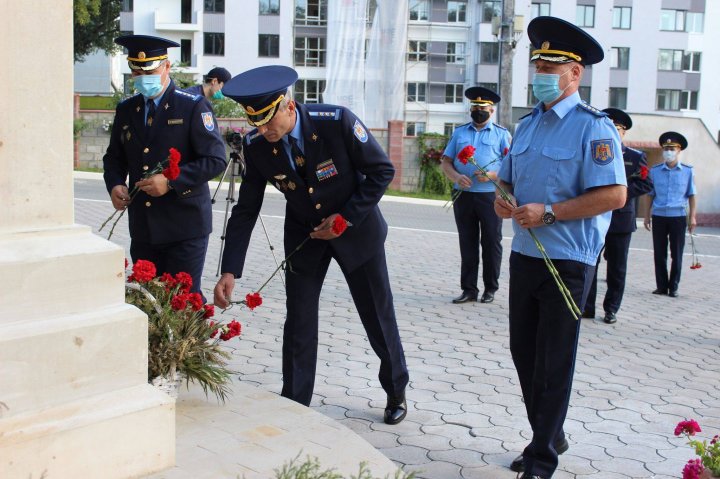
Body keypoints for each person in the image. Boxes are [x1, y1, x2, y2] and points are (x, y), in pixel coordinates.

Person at [213, 66, 409, 424]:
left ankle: (395, 388)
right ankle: (295, 400)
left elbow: (382, 171)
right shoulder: (258, 146)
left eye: (269, 123)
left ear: (289, 107)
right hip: (305, 236)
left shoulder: (337, 122)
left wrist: (345, 218)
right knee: (299, 319)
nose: (264, 132)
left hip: (357, 231)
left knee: (376, 316)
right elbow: (246, 209)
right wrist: (230, 269)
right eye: (256, 124)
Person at [493, 16, 627, 478]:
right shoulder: (528, 124)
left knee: (553, 360)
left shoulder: (595, 129)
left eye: (552, 67)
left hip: (567, 260)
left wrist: (548, 213)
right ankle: (550, 433)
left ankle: (541, 458)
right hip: (525, 255)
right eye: (539, 65)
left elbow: (614, 195)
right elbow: (507, 176)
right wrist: (502, 199)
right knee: (523, 354)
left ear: (575, 73)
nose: (542, 75)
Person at [103, 35, 227, 294]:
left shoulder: (192, 105)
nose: (141, 76)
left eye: (149, 70)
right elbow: (114, 157)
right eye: (136, 70)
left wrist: (171, 181)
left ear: (166, 66)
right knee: (149, 303)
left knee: (182, 305)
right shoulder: (127, 109)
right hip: (144, 227)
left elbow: (215, 160)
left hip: (184, 227)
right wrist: (115, 184)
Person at [582, 109, 653, 324]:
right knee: (589, 263)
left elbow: (646, 183)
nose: (612, 132)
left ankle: (611, 308)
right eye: (608, 127)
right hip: (594, 216)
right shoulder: (593, 152)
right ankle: (587, 307)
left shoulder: (635, 157)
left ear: (624, 132)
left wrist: (617, 195)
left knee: (617, 268)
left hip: (620, 220)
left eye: (617, 128)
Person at [441, 87, 511, 305]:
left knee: (491, 242)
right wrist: (455, 177)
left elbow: (511, 165)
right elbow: (446, 162)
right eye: (475, 108)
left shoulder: (502, 134)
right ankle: (468, 289)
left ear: (491, 110)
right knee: (467, 242)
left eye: (483, 109)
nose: (478, 112)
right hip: (464, 195)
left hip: (490, 195)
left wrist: (492, 174)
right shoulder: (460, 133)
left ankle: (490, 288)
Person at [644, 131, 696, 298]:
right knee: (659, 252)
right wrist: (647, 215)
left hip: (678, 216)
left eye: (672, 148)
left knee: (677, 253)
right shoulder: (655, 171)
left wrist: (693, 217)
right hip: (659, 215)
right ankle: (661, 286)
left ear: (679, 150)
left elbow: (692, 195)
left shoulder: (688, 171)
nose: (668, 152)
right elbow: (650, 194)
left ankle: (673, 286)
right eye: (666, 148)